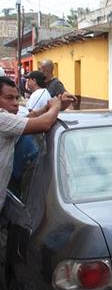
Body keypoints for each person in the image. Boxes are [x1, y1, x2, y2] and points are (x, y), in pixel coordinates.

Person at [0, 77, 73, 210]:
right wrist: (55, 106)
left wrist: (49, 107)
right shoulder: (1, 119)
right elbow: (44, 124)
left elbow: (26, 120)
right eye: (9, 98)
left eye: (16, 98)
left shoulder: (7, 122)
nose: (15, 103)